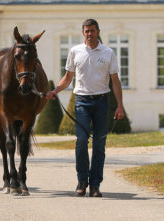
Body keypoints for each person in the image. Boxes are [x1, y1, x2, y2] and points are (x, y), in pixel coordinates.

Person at [46, 18, 124, 197]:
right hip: (81, 101)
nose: (90, 34)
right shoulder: (75, 51)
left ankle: (95, 185)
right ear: (83, 33)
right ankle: (82, 181)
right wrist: (56, 90)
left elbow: (115, 81)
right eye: (87, 31)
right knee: (81, 141)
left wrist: (119, 106)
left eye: (93, 30)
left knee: (99, 144)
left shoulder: (108, 52)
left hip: (102, 102)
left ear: (98, 32)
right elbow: (68, 77)